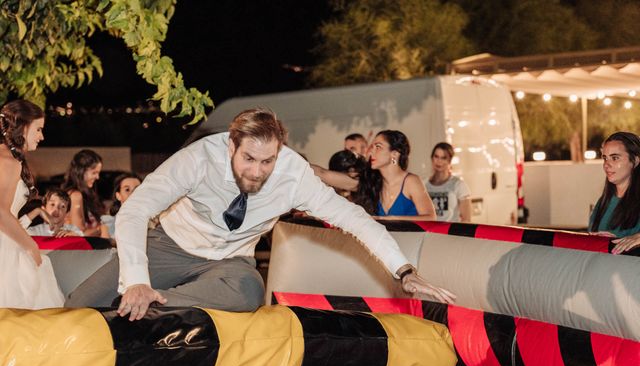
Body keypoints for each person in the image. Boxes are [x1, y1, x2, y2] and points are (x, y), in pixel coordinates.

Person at [66, 108, 455, 318]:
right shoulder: (199, 158)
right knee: (79, 303)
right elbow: (136, 209)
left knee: (250, 291)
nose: (257, 171)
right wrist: (135, 279)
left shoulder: (292, 174)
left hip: (229, 261)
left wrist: (403, 270)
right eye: (249, 159)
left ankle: (155, 305)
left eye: (267, 161)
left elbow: (353, 219)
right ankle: (140, 297)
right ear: (231, 144)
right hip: (172, 245)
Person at [0, 99, 64, 308]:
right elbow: (1, 212)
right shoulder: (8, 161)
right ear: (23, 126)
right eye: (38, 129)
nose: (41, 136)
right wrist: (31, 246)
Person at [354, 130, 437, 220]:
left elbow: (431, 218)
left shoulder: (411, 181)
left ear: (394, 154)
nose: (371, 152)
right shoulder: (374, 183)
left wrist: (391, 219)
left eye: (378, 147)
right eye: (372, 147)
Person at [588, 131, 640, 253]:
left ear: (635, 161)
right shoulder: (604, 201)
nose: (606, 164)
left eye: (615, 158)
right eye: (605, 158)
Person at [62, 149, 107, 237]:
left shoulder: (85, 194)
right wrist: (102, 228)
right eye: (94, 172)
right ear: (81, 171)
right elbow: (78, 233)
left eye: (98, 173)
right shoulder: (75, 195)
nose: (97, 177)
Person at [426, 142, 472, 222]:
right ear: (432, 158)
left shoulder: (459, 185)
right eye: (436, 156)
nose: (439, 161)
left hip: (450, 233)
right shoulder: (423, 184)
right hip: (429, 233)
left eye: (443, 158)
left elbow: (466, 219)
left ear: (449, 161)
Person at [100, 173, 142, 238]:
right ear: (118, 195)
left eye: (137, 189)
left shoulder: (151, 221)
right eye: (127, 190)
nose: (133, 194)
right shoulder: (107, 223)